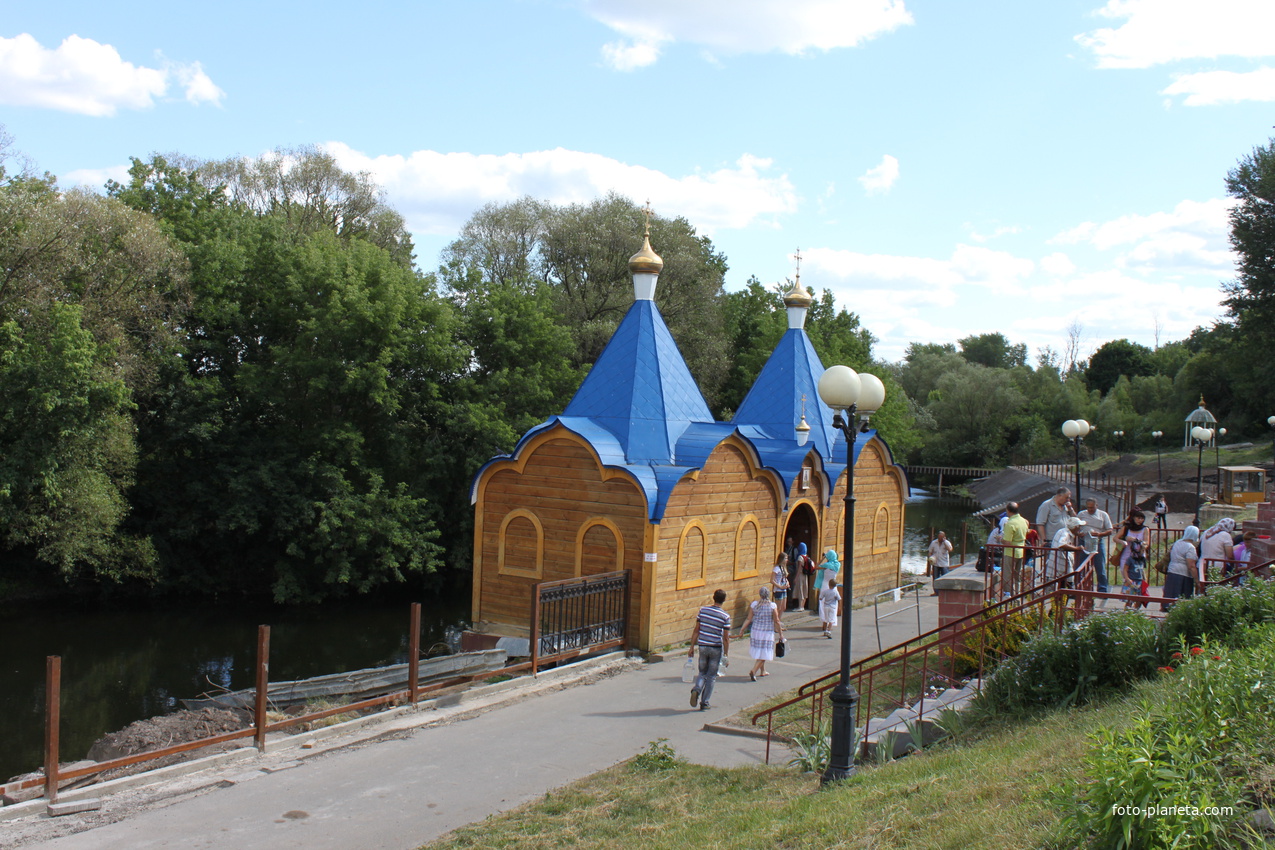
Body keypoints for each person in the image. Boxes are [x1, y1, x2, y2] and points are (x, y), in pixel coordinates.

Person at [688, 589, 731, 711]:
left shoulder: (703, 611)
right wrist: (726, 655)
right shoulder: (725, 616)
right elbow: (726, 638)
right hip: (715, 648)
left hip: (703, 646)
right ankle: (704, 702)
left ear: (713, 597)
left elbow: (696, 630)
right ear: (724, 600)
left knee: (702, 672)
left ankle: (697, 688)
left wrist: (691, 647)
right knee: (711, 676)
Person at [738, 586, 783, 681]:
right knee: (765, 653)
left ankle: (763, 671)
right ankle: (754, 671)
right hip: (767, 632)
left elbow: (749, 619)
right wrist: (781, 634)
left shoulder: (754, 604)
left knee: (760, 651)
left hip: (756, 631)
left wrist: (742, 629)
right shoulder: (772, 606)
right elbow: (776, 621)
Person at [1077, 498, 1114, 594]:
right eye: (1088, 508)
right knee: (1080, 565)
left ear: (1096, 506)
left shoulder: (1103, 515)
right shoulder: (1081, 514)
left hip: (1098, 541)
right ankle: (1080, 588)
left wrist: (1100, 534)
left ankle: (1102, 590)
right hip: (1084, 541)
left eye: (1092, 508)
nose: (1090, 510)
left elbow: (1110, 530)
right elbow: (1075, 527)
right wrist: (1079, 533)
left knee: (1100, 566)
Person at [1163, 525, 1200, 604]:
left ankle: (1166, 606)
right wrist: (1197, 579)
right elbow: (1191, 565)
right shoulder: (1190, 547)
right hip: (1183, 574)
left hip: (1172, 570)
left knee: (1171, 593)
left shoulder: (1177, 542)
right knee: (1182, 597)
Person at [1000, 504, 1029, 595]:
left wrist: (999, 539)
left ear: (1008, 511)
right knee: (1017, 575)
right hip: (1021, 551)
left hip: (1010, 552)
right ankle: (1017, 595)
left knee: (1007, 576)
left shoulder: (1010, 523)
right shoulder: (1024, 521)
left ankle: (1008, 596)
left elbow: (1007, 542)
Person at [1049, 516, 1086, 581]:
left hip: (1061, 565)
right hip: (1058, 565)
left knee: (1063, 583)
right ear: (1075, 527)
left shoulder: (1066, 531)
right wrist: (1077, 548)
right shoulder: (1065, 533)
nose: (1080, 528)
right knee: (1064, 583)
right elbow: (1062, 544)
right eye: (1079, 526)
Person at [791, 542, 812, 611]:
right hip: (805, 575)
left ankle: (800, 606)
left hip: (800, 575)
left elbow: (799, 568)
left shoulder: (800, 557)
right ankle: (802, 606)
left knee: (800, 590)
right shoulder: (806, 556)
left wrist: (796, 578)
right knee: (804, 589)